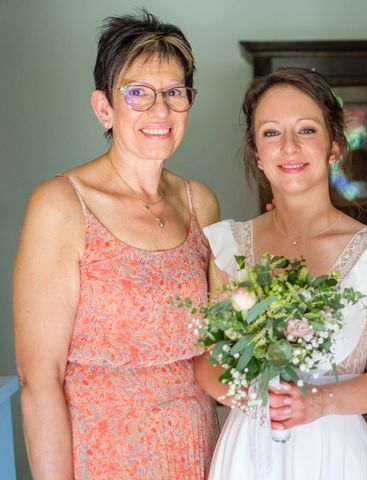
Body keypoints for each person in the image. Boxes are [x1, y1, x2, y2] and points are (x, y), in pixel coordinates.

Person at [13, 10, 219, 479]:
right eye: (137, 93)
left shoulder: (200, 204)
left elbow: (215, 351)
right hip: (102, 457)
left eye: (174, 93)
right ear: (104, 107)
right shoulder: (62, 204)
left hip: (197, 451)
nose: (160, 111)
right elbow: (38, 378)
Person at [196, 68, 367, 480]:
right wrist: (255, 396)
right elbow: (209, 362)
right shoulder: (227, 247)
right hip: (249, 452)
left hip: (337, 455)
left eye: (306, 129)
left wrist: (319, 400)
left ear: (334, 147)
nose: (290, 147)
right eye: (271, 133)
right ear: (256, 154)